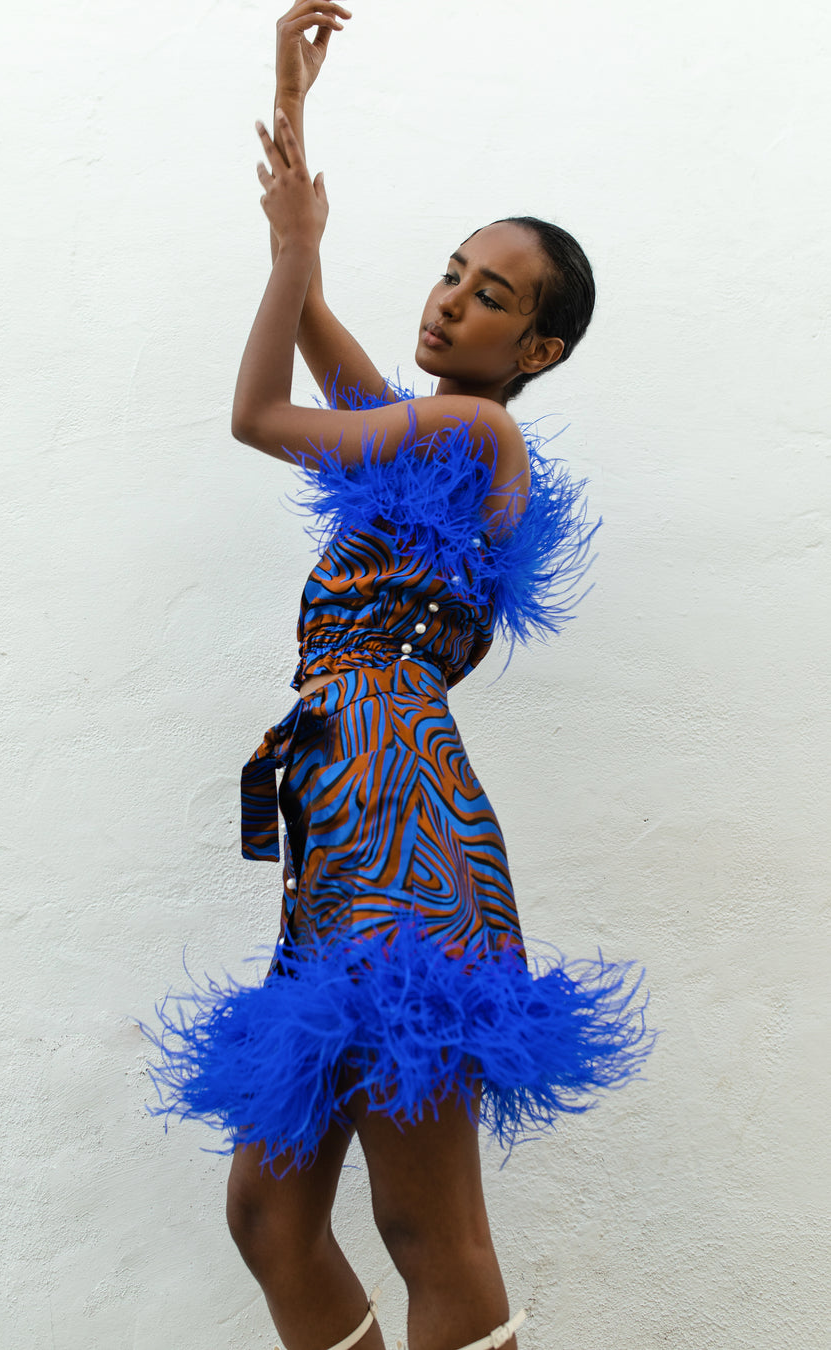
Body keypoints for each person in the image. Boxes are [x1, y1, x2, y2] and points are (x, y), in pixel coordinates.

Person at [146, 6, 652, 1349]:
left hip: (402, 825)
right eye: (450, 271)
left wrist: (296, 257)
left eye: (491, 296)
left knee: (428, 1225)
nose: (449, 299)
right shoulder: (422, 441)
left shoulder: (476, 432)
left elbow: (260, 414)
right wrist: (292, 114)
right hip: (342, 814)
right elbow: (318, 334)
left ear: (537, 351)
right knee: (270, 1211)